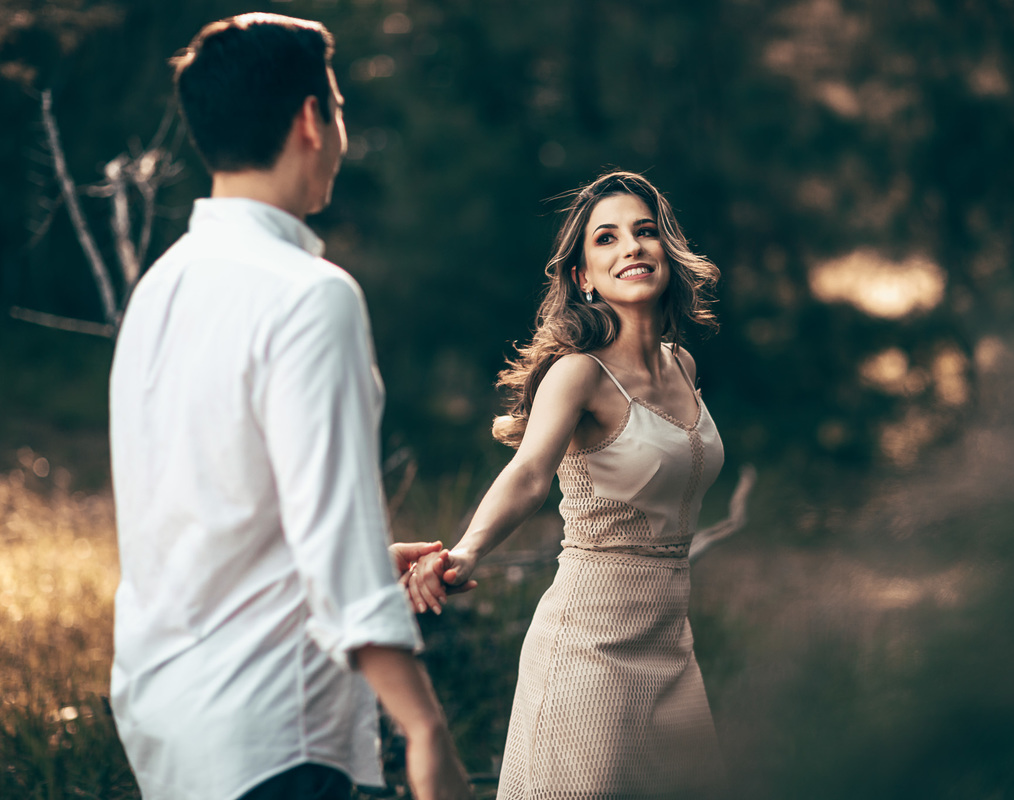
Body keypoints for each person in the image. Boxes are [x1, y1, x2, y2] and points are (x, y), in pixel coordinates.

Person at [108, 14, 472, 800]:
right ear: (313, 119)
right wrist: (425, 729)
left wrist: (376, 566)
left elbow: (198, 519)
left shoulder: (161, 290)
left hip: (167, 728)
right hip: (276, 735)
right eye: (338, 110)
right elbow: (333, 546)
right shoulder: (310, 297)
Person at [407, 171, 727, 798]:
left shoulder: (682, 365)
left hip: (671, 646)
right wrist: (467, 550)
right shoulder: (578, 375)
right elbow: (528, 474)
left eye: (644, 231)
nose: (630, 248)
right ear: (583, 276)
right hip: (590, 649)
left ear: (667, 248)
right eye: (605, 239)